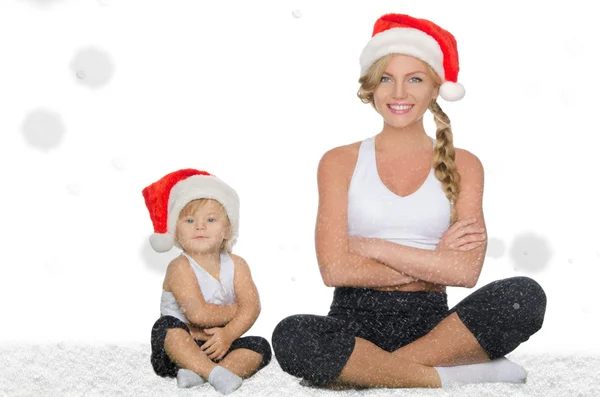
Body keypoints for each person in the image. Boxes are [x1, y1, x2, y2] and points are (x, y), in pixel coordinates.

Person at [271, 13, 547, 389]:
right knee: (292, 335)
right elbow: (334, 270)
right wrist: (436, 262)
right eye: (387, 78)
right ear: (371, 87)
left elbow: (465, 273)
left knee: (523, 297)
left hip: (437, 329)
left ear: (435, 88)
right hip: (353, 322)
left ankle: (364, 373)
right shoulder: (338, 161)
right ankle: (448, 377)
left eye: (414, 79)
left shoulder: (465, 164)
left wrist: (370, 247)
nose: (399, 94)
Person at [142, 168, 271, 395]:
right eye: (189, 220)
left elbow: (254, 307)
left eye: (211, 219)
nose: (200, 226)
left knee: (260, 346)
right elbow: (198, 315)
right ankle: (212, 373)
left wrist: (229, 335)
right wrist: (238, 310)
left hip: (218, 343)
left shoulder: (238, 265)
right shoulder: (179, 267)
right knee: (166, 329)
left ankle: (202, 372)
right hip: (180, 348)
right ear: (175, 231)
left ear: (227, 229)